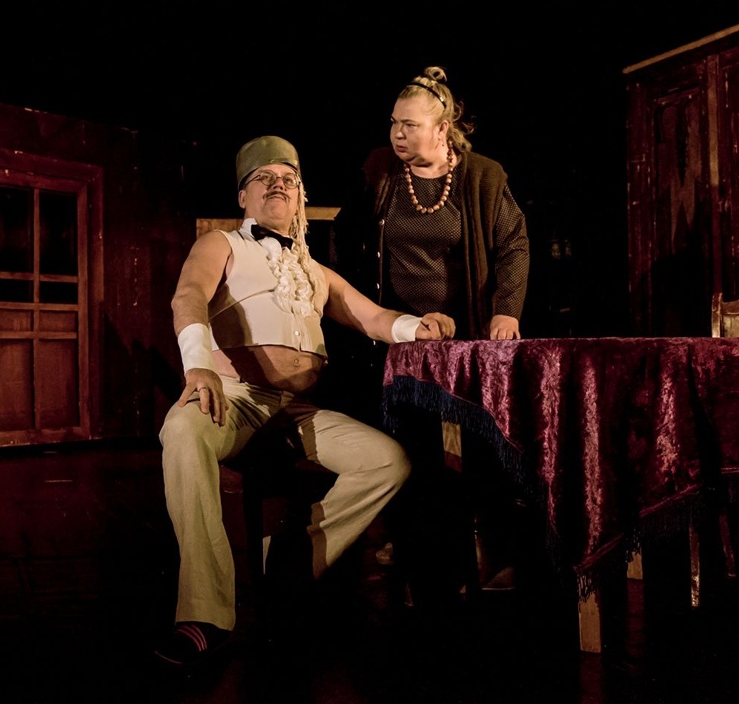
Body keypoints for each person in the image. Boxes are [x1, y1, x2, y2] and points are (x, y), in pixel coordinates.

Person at [153, 135, 455, 670]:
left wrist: (420, 326)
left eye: (288, 180)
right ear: (243, 196)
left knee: (387, 461)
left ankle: (287, 558)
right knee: (180, 429)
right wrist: (197, 363)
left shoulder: (314, 270)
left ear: (299, 197)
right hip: (236, 396)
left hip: (297, 410)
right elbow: (189, 295)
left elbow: (374, 319)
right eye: (264, 178)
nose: (278, 186)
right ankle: (205, 612)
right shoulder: (223, 244)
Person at [328, 66, 530, 601]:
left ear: (443, 129)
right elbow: (347, 236)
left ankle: (497, 553)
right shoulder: (381, 172)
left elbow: (513, 244)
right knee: (412, 447)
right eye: (393, 123)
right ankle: (425, 555)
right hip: (401, 338)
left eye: (410, 125)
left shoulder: (482, 177)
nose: (397, 134)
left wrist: (506, 311)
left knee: (487, 443)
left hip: (467, 338)